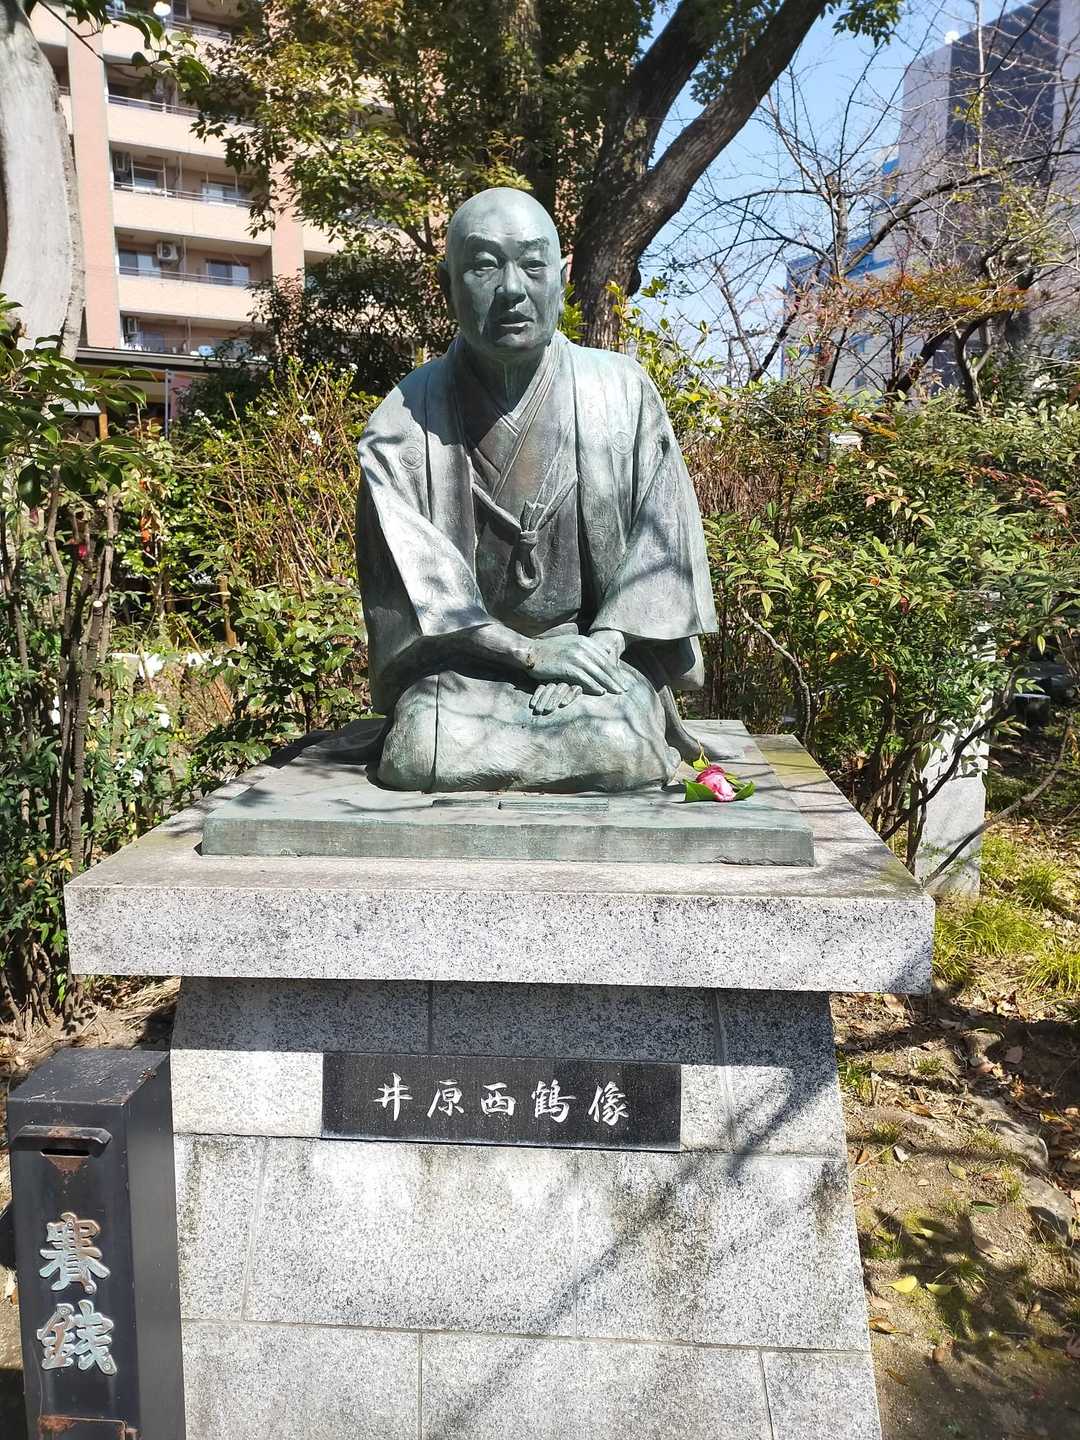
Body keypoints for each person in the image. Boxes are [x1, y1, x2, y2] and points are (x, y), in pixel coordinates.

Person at [355, 187, 718, 792]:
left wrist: (599, 648)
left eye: (531, 264)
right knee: (420, 749)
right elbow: (415, 587)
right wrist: (526, 655)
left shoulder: (622, 392)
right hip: (469, 664)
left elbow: (663, 544)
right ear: (448, 286)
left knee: (624, 746)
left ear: (561, 279)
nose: (511, 289)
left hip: (596, 656)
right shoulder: (403, 422)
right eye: (483, 265)